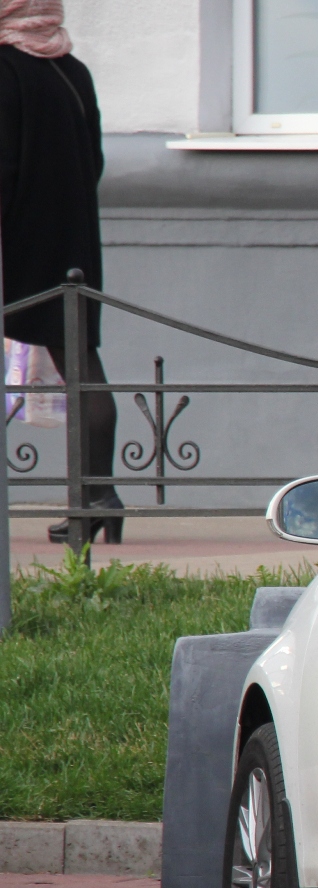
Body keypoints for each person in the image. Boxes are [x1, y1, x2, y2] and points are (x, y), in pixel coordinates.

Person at [0, 0, 118, 544]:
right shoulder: (73, 70)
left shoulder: (5, 70)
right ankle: (98, 497)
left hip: (17, 238)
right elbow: (93, 160)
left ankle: (93, 501)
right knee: (81, 364)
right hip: (72, 241)